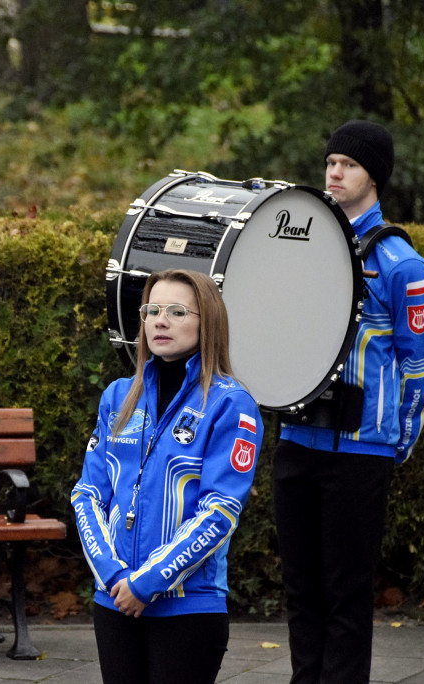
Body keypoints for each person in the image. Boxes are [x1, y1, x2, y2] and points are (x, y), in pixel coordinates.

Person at [273, 120, 424, 683]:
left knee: (345, 597)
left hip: (362, 451)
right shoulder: (303, 248)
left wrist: (396, 444)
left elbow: (418, 366)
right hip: (297, 440)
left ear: (375, 176)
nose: (334, 173)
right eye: (330, 162)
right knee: (301, 591)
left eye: (348, 164)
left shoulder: (400, 263)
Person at [71, 269, 263, 684]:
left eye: (177, 311)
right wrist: (114, 576)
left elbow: (220, 512)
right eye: (152, 310)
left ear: (206, 320)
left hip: (188, 608)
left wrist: (147, 583)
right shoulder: (119, 396)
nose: (160, 321)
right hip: (115, 600)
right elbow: (88, 493)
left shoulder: (232, 405)